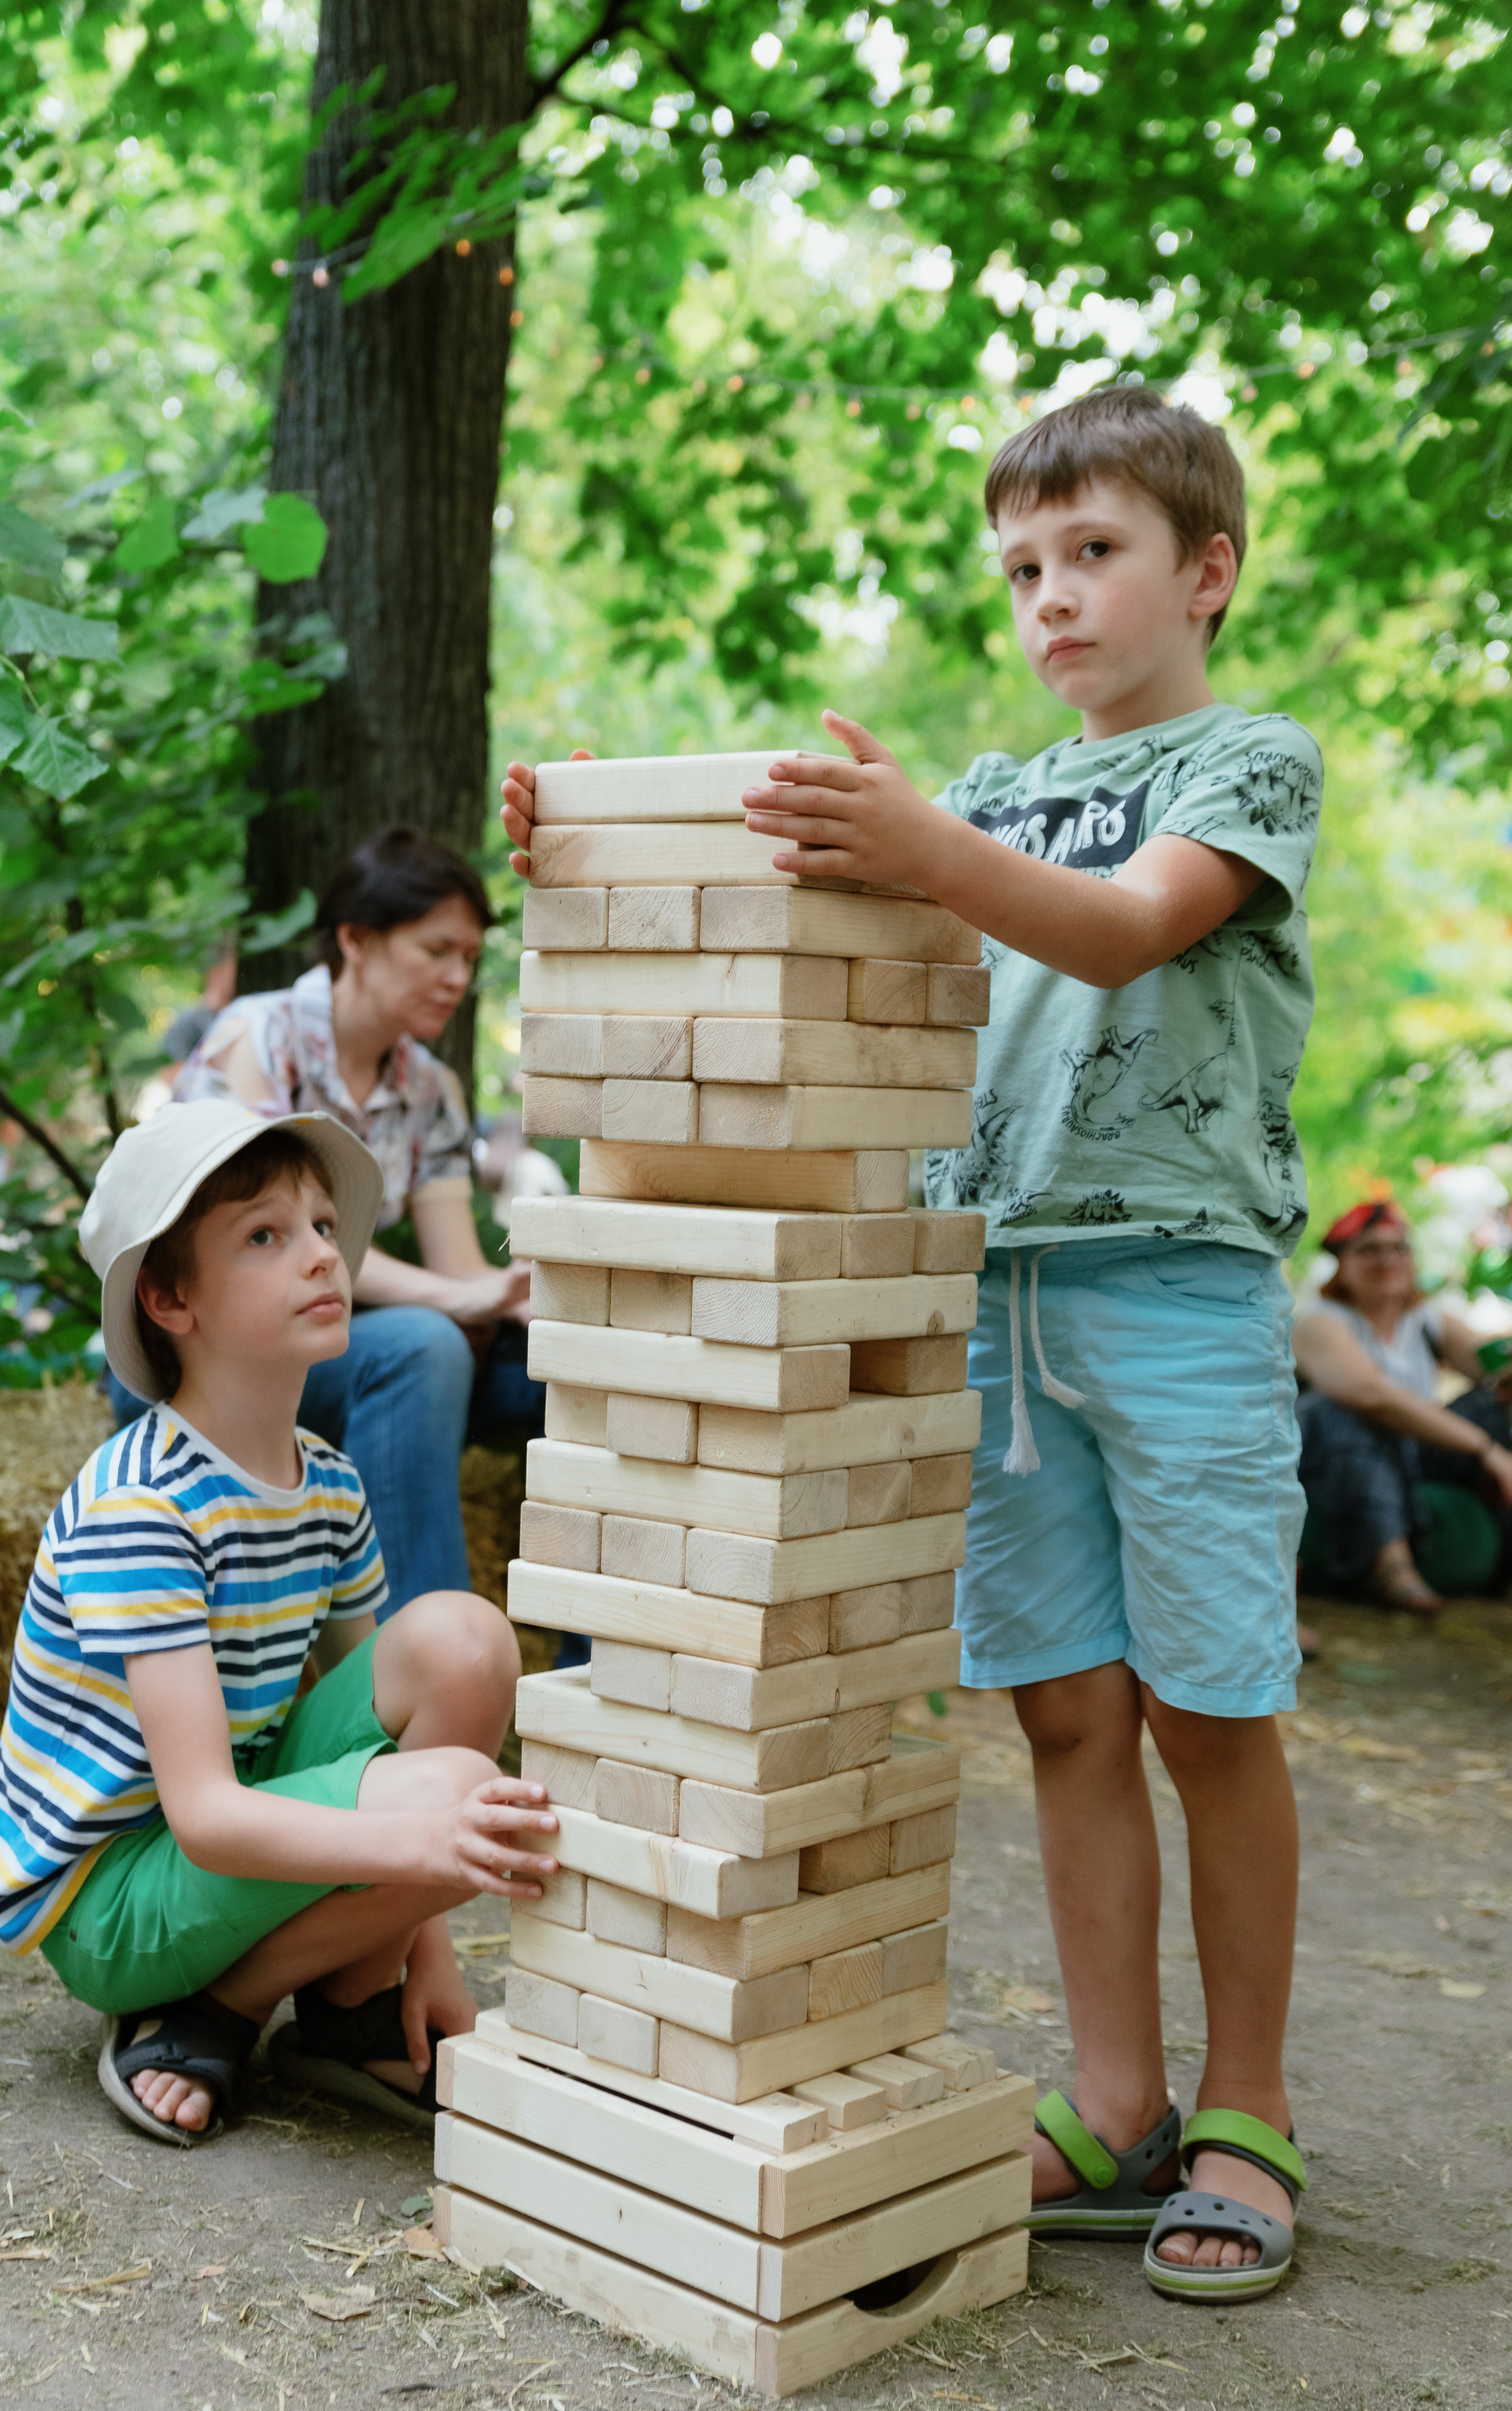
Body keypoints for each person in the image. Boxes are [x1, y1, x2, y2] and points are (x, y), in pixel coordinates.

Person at [502, 386, 1316, 2303]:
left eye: (1093, 553)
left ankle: (1249, 2109)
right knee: (1058, 1711)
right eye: (1023, 565)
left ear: (1203, 571)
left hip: (1175, 1286)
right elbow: (810, 917)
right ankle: (1114, 2106)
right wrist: (598, 831)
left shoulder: (1244, 764)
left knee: (1211, 1713)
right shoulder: (989, 795)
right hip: (983, 1289)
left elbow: (1122, 933)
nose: (1051, 597)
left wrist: (919, 842)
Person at [0, 1100, 558, 2143]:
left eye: (325, 1228)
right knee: (466, 1795)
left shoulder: (327, 1483)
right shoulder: (142, 1504)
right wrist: (430, 1840)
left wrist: (423, 1952)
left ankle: (351, 2005)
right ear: (169, 1295)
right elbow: (202, 1811)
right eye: (265, 1235)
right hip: (116, 1896)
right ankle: (219, 2005)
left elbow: (398, 1714)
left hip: (233, 1838)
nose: (320, 1259)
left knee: (465, 1640)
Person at [131, 826, 538, 1613]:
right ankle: (421, 1694)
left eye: (470, 957)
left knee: (572, 1370)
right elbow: (261, 1247)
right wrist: (457, 1304)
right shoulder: (257, 1039)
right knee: (425, 1343)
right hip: (205, 1360)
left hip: (330, 1347)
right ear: (355, 938)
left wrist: (517, 1298)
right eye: (436, 950)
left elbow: (456, 1266)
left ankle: (597, 1678)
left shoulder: (433, 1091)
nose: (459, 976)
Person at [1293, 1199, 1512, 1610]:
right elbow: (1369, 1394)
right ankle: (1390, 1567)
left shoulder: (1429, 1321)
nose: (1387, 1260)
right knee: (1343, 1409)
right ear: (1341, 1264)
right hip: (1332, 1460)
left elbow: (1493, 1364)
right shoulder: (1319, 1322)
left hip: (1409, 1455)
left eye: (1399, 1248)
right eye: (1369, 1250)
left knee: (1492, 1404)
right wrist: (1488, 1451)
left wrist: (1504, 1373)